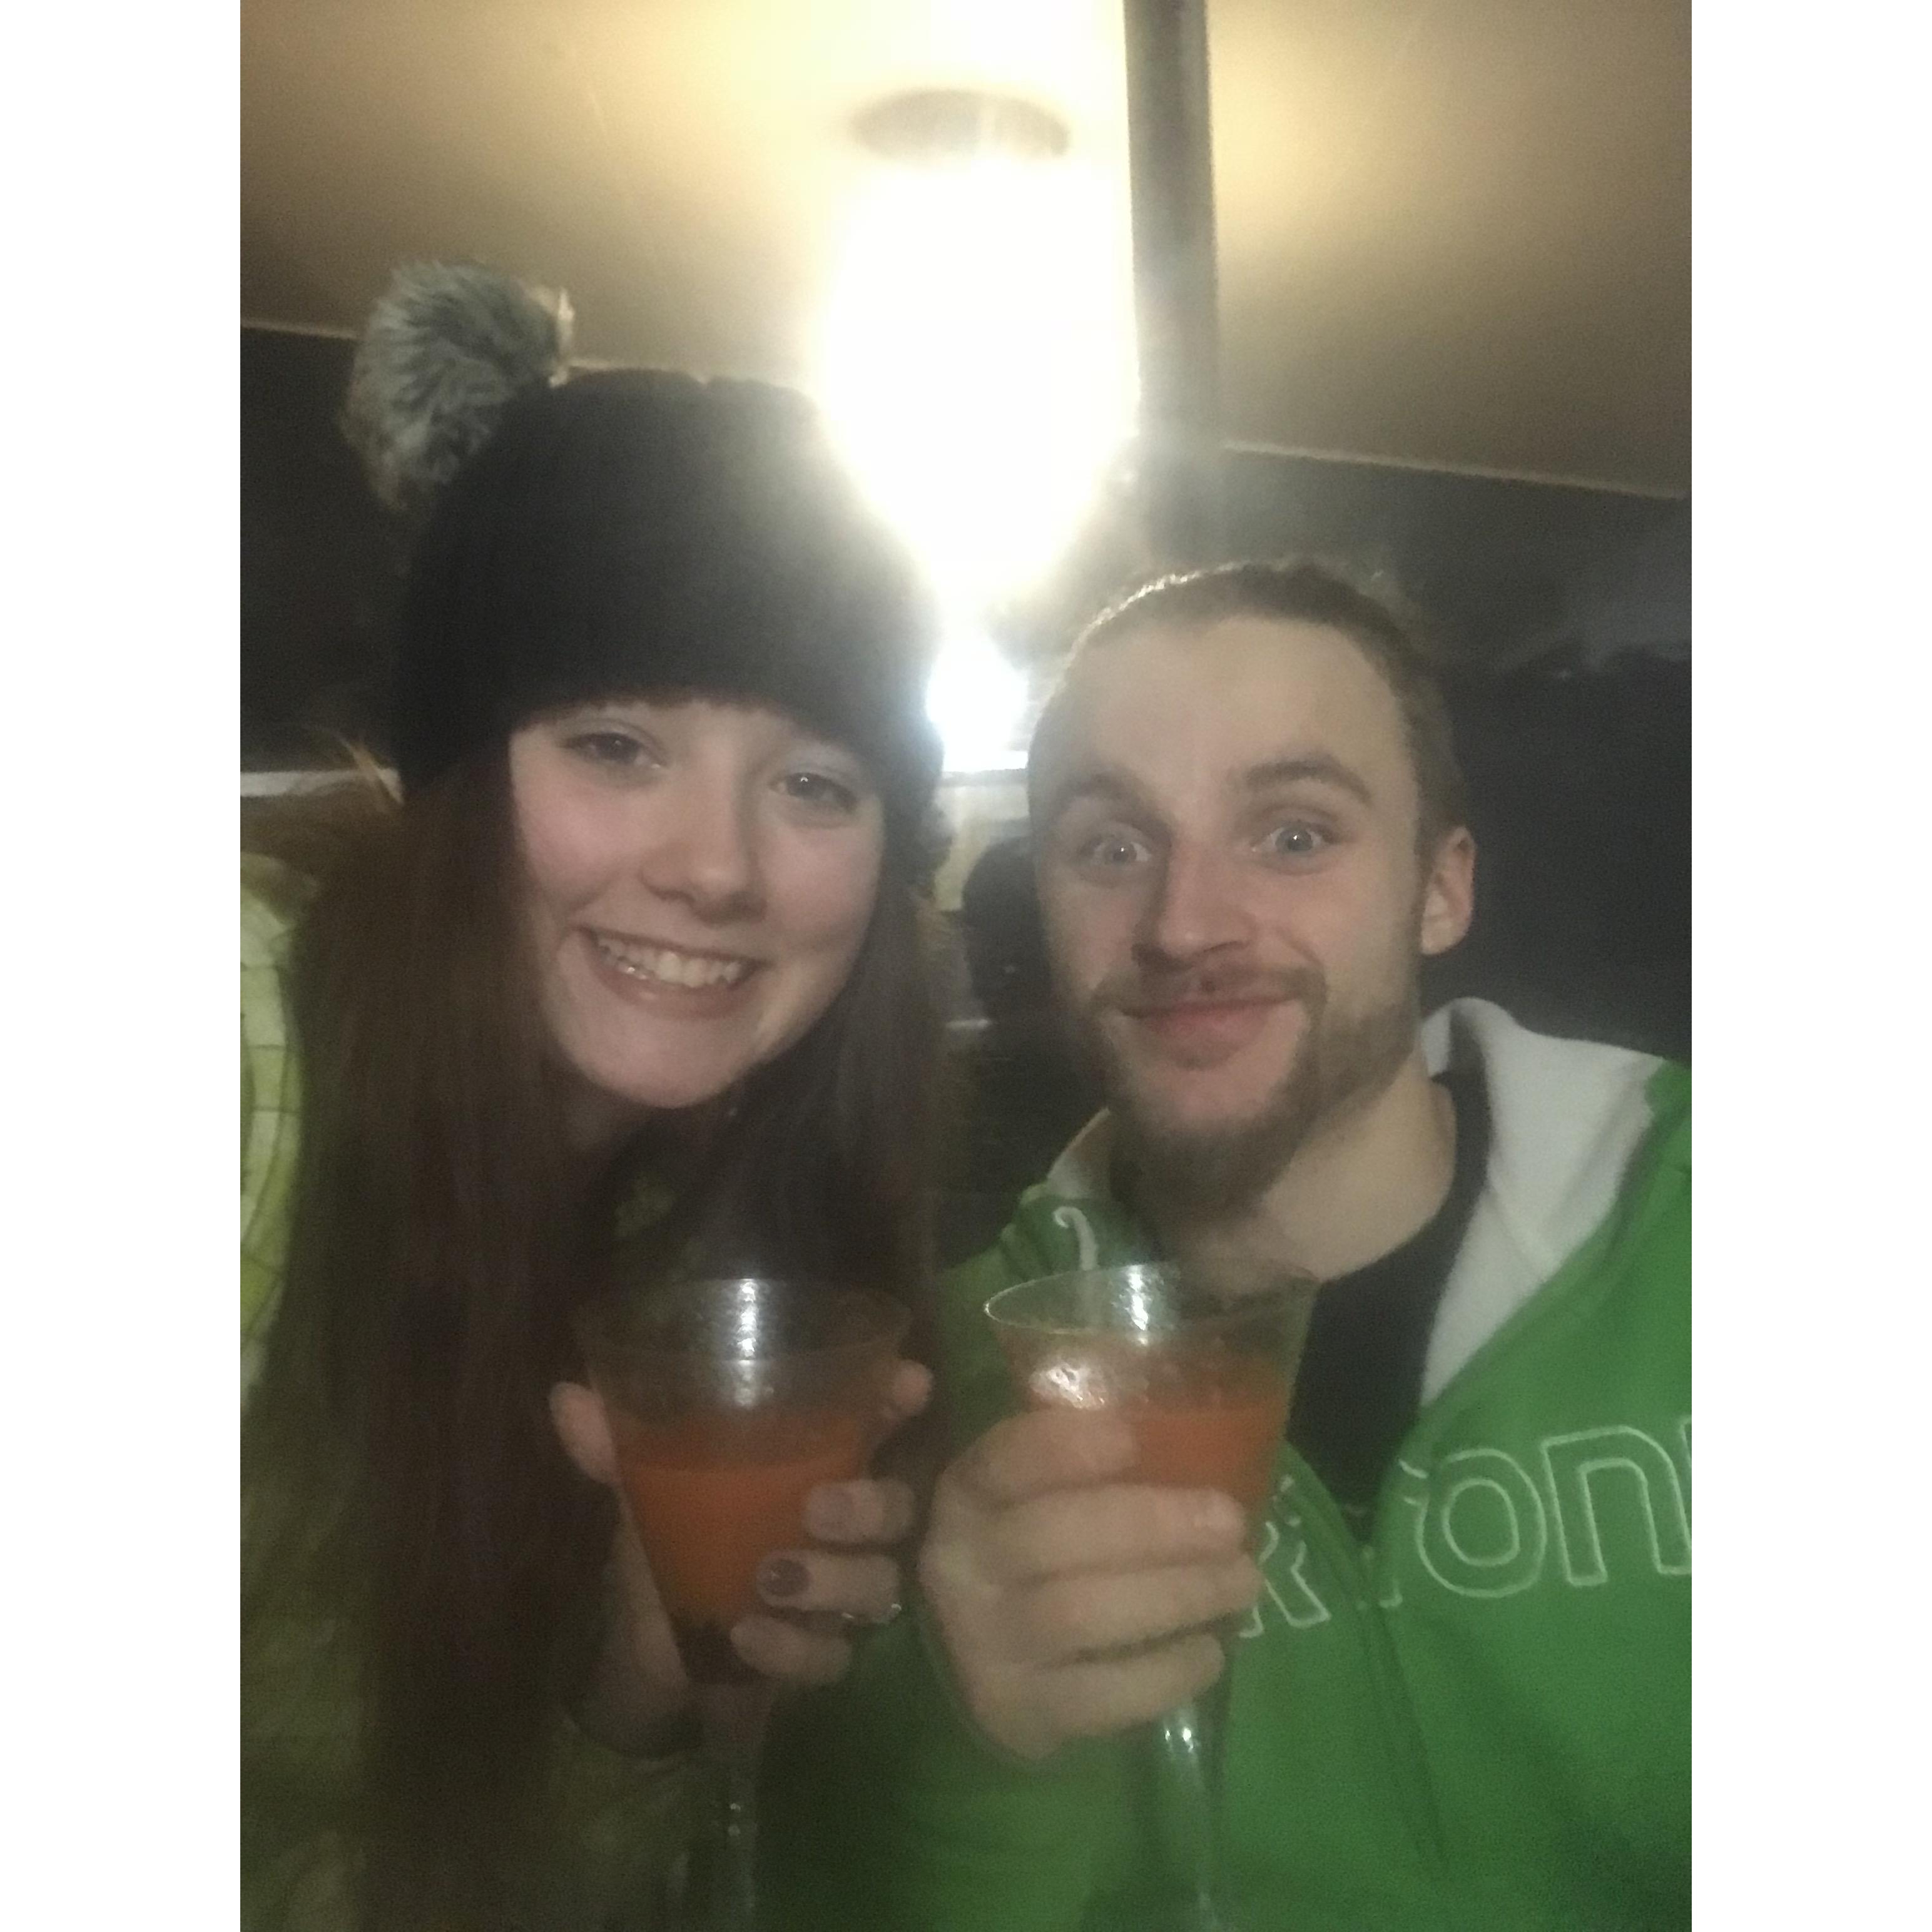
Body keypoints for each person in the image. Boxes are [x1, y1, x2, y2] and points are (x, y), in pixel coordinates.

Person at [764, 560, 1689, 1930]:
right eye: (1110, 848)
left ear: (1441, 888)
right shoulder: (926, 1388)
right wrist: (973, 1745)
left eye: (1294, 834)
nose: (1185, 924)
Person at [242, 263, 947, 1931]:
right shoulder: (229, 1040)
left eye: (814, 782)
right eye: (616, 744)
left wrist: (643, 1678)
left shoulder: (699, 1225)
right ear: (461, 778)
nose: (716, 868)